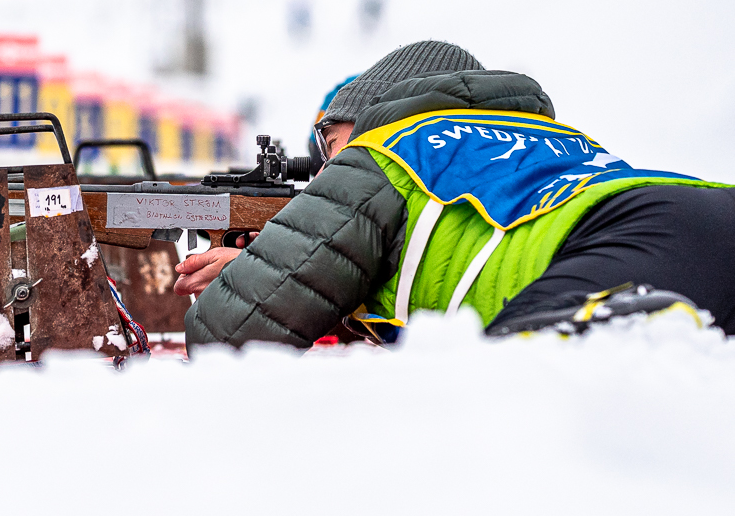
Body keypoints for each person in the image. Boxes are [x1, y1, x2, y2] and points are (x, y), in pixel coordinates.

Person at [175, 40, 735, 347]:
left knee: (518, 385)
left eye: (329, 137)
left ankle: (625, 324)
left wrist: (256, 272)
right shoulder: (558, 137)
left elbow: (227, 331)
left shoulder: (389, 146)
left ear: (368, 113)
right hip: (700, 205)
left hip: (618, 244)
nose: (323, 159)